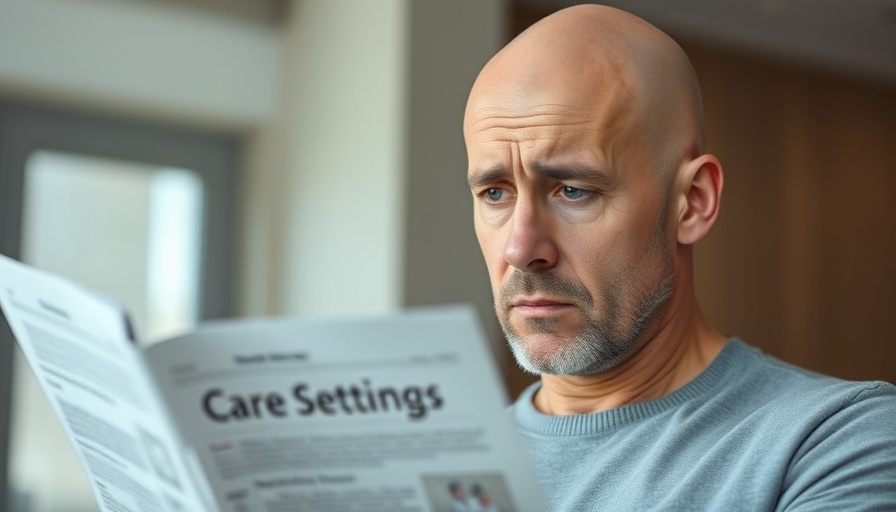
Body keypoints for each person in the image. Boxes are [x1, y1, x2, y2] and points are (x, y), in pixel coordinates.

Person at [463, 4, 896, 511]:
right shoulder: (445, 468)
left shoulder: (837, 441)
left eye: (574, 190)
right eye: (495, 193)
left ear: (692, 202)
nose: (520, 248)